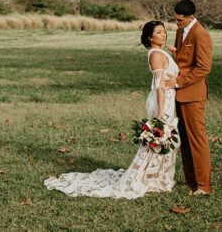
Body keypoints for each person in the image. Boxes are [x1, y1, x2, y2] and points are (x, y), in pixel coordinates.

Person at [44, 20, 179, 198]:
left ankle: (157, 175)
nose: (164, 35)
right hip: (163, 100)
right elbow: (159, 86)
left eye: (164, 32)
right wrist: (161, 111)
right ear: (150, 37)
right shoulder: (155, 55)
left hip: (169, 97)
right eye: (159, 32)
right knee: (160, 138)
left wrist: (174, 55)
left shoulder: (161, 53)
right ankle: (148, 176)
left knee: (168, 139)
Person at [169, 0, 213, 194]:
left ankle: (203, 185)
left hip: (193, 95)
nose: (177, 24)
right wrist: (175, 55)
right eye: (175, 20)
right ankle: (190, 181)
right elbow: (184, 62)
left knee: (196, 139)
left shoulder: (201, 35)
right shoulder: (181, 31)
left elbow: (203, 68)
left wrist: (179, 82)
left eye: (180, 20)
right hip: (179, 95)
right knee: (184, 140)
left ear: (191, 17)